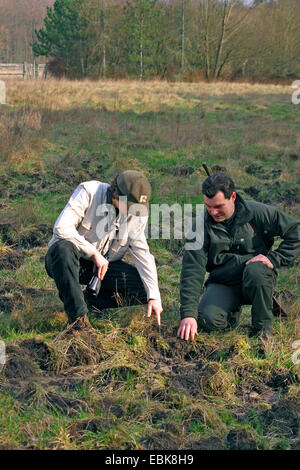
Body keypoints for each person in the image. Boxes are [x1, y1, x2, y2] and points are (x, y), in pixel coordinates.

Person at [177, 172, 300, 341]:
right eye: (208, 206)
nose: (213, 212)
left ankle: (261, 330)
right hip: (224, 282)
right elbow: (192, 270)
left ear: (233, 197)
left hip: (256, 276)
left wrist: (274, 259)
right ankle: (231, 313)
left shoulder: (257, 212)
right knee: (206, 320)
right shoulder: (199, 227)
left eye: (219, 206)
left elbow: (296, 231)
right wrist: (188, 314)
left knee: (257, 270)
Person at [45, 170, 163, 329]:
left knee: (145, 287)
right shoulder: (89, 191)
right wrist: (94, 254)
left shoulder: (137, 214)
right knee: (63, 249)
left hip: (103, 268)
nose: (134, 212)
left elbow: (142, 253)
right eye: (130, 206)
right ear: (116, 193)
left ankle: (90, 301)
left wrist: (153, 297)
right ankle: (78, 320)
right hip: (69, 260)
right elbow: (61, 228)